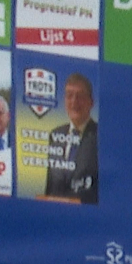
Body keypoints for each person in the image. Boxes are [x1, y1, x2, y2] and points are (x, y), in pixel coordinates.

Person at [40, 73, 99, 203]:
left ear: (91, 102)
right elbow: (50, 186)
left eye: (80, 96)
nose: (74, 101)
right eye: (69, 95)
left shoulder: (100, 136)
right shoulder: (55, 135)